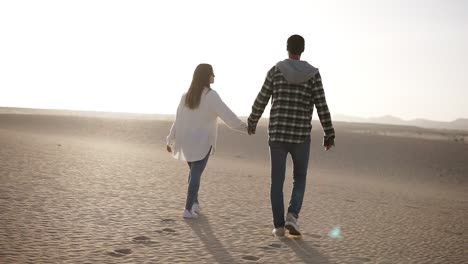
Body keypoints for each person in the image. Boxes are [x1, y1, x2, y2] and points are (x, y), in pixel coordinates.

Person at [247, 35, 335, 237]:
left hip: (278, 134)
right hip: (300, 136)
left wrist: (252, 120)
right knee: (300, 178)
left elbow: (261, 98)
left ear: (287, 49)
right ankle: (292, 216)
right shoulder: (313, 74)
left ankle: (278, 226)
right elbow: (322, 105)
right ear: (302, 50)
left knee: (277, 181)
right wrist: (329, 133)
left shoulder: (276, 70)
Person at [167, 63, 248, 219]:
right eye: (212, 73)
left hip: (186, 140)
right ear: (206, 76)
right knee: (196, 173)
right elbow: (227, 115)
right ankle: (188, 208)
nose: (214, 76)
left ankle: (195, 204)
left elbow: (178, 120)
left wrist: (170, 139)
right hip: (202, 141)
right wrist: (245, 127)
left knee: (193, 173)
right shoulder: (211, 95)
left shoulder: (186, 96)